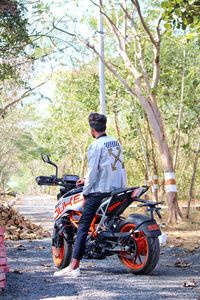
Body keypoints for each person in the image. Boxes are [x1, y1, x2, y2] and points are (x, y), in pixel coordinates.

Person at [54, 112, 127, 278]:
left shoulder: (95, 146)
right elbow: (111, 167)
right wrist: (86, 179)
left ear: (92, 130)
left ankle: (74, 265)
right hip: (117, 189)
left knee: (83, 226)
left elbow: (93, 170)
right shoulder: (115, 142)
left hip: (100, 191)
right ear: (104, 127)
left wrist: (86, 191)